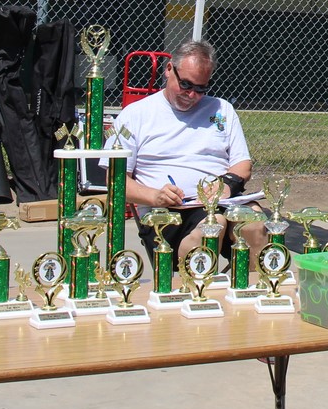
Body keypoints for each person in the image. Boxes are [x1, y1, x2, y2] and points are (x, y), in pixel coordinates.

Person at [108, 39, 263, 261]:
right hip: (170, 210)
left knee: (255, 222)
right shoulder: (135, 114)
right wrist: (155, 195)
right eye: (186, 85)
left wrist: (227, 184)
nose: (191, 95)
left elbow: (242, 164)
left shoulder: (222, 109)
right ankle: (194, 290)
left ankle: (253, 289)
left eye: (200, 89)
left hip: (220, 201)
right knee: (213, 225)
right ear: (169, 69)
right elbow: (115, 179)